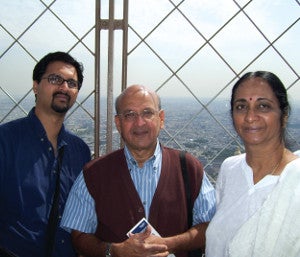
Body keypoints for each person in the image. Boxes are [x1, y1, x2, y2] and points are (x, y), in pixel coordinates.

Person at [61, 84, 216, 257]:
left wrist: (167, 244)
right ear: (118, 123)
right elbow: (78, 235)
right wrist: (114, 251)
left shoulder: (189, 168)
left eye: (147, 113)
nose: (139, 122)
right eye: (130, 115)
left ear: (161, 119)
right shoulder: (93, 174)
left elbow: (210, 226)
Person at [0, 51, 91, 257]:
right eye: (55, 79)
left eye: (72, 83)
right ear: (35, 85)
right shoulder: (5, 141)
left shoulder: (80, 151)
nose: (64, 87)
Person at [205, 71, 300, 257]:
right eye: (241, 107)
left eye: (263, 106)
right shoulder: (229, 169)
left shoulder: (295, 180)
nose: (250, 116)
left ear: (284, 114)